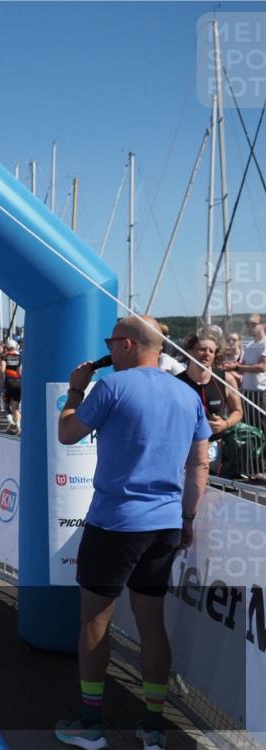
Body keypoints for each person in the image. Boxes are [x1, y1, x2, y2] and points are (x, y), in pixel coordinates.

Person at [55, 315, 210, 750]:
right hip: (165, 524)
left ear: (126, 344)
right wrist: (187, 519)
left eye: (111, 342)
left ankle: (91, 724)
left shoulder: (111, 387)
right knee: (151, 622)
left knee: (94, 620)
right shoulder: (187, 394)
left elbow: (67, 433)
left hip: (115, 522)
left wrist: (75, 391)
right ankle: (154, 727)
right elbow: (200, 464)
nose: (108, 350)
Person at [177, 332, 243, 476]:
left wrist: (225, 424)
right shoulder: (176, 382)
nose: (206, 354)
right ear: (190, 351)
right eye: (202, 349)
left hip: (213, 450)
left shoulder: (226, 379)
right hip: (184, 448)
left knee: (211, 488)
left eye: (211, 351)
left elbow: (238, 411)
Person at [222, 314, 266, 480]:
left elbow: (262, 367)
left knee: (262, 430)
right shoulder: (250, 345)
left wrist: (237, 367)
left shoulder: (264, 344)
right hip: (247, 392)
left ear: (263, 325)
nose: (250, 327)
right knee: (251, 431)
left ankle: (262, 468)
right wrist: (234, 366)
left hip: (260, 393)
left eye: (254, 324)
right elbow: (245, 367)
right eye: (249, 324)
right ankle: (253, 467)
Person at [2, 339, 23, 434]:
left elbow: (2, 369)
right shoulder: (19, 357)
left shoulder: (5, 356)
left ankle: (11, 422)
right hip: (18, 382)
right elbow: (20, 372)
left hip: (8, 383)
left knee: (6, 404)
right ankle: (18, 426)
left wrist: (1, 374)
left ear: (7, 347)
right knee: (16, 407)